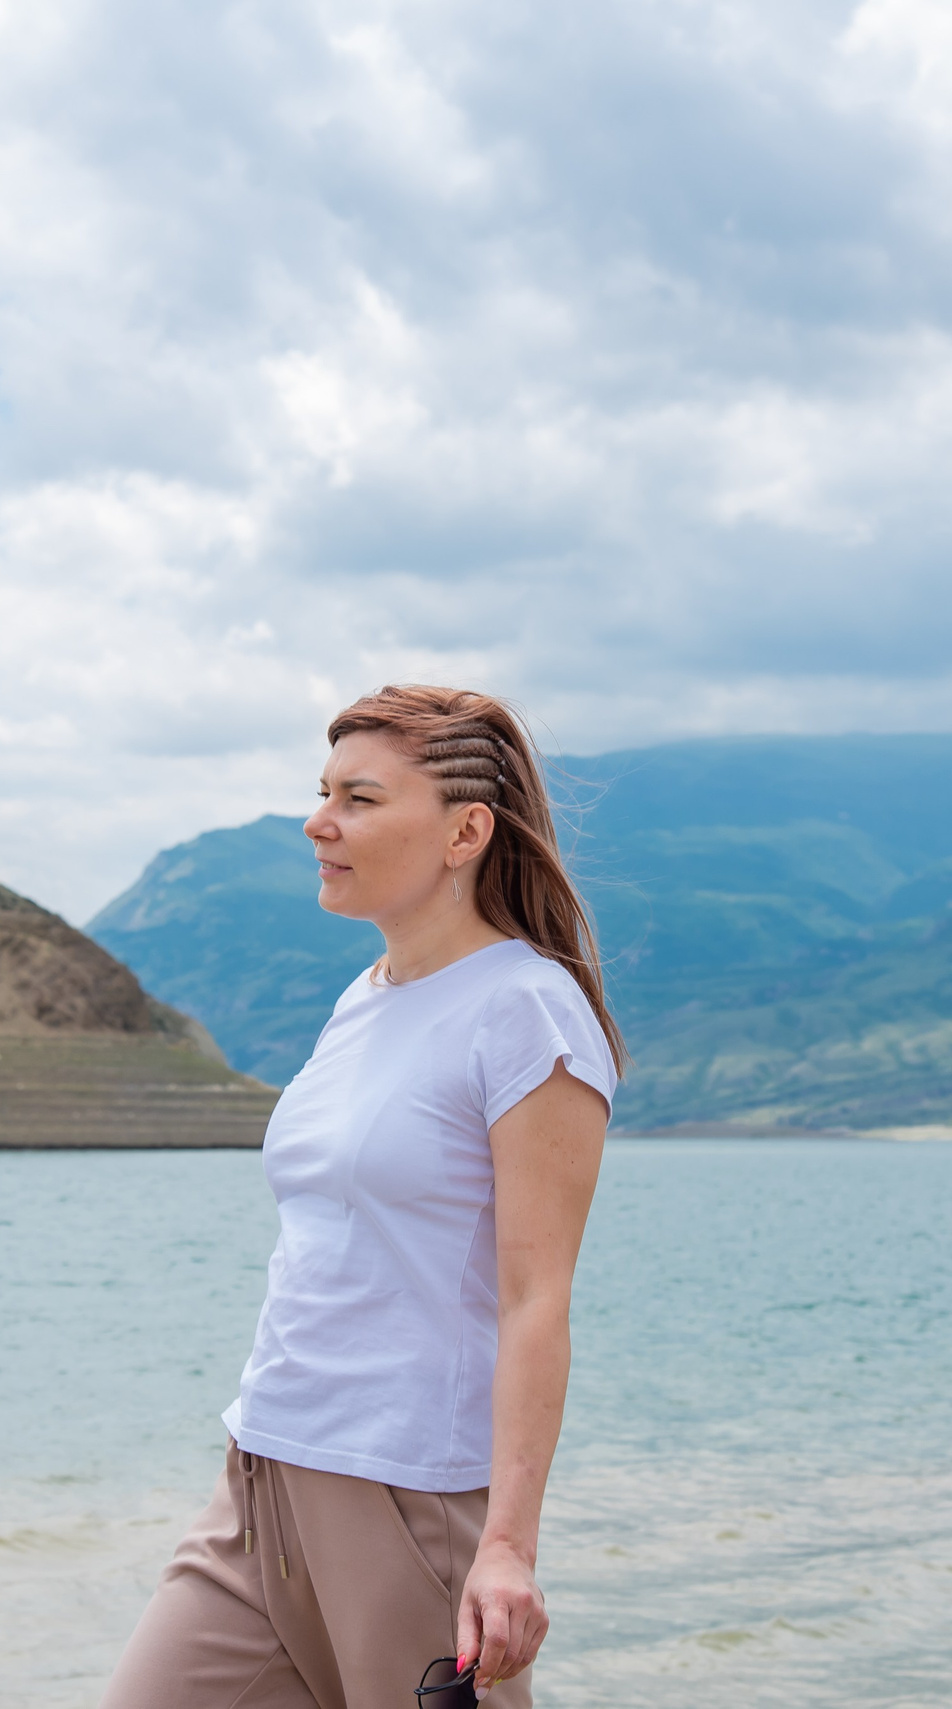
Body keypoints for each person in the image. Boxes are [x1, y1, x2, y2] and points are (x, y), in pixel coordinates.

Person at [100, 685, 626, 1709]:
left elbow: (536, 1300)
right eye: (321, 790)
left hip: (408, 1500)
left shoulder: (527, 1013)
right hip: (261, 1482)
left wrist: (508, 1547)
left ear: (465, 830)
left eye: (359, 796)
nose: (317, 819)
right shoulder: (365, 996)